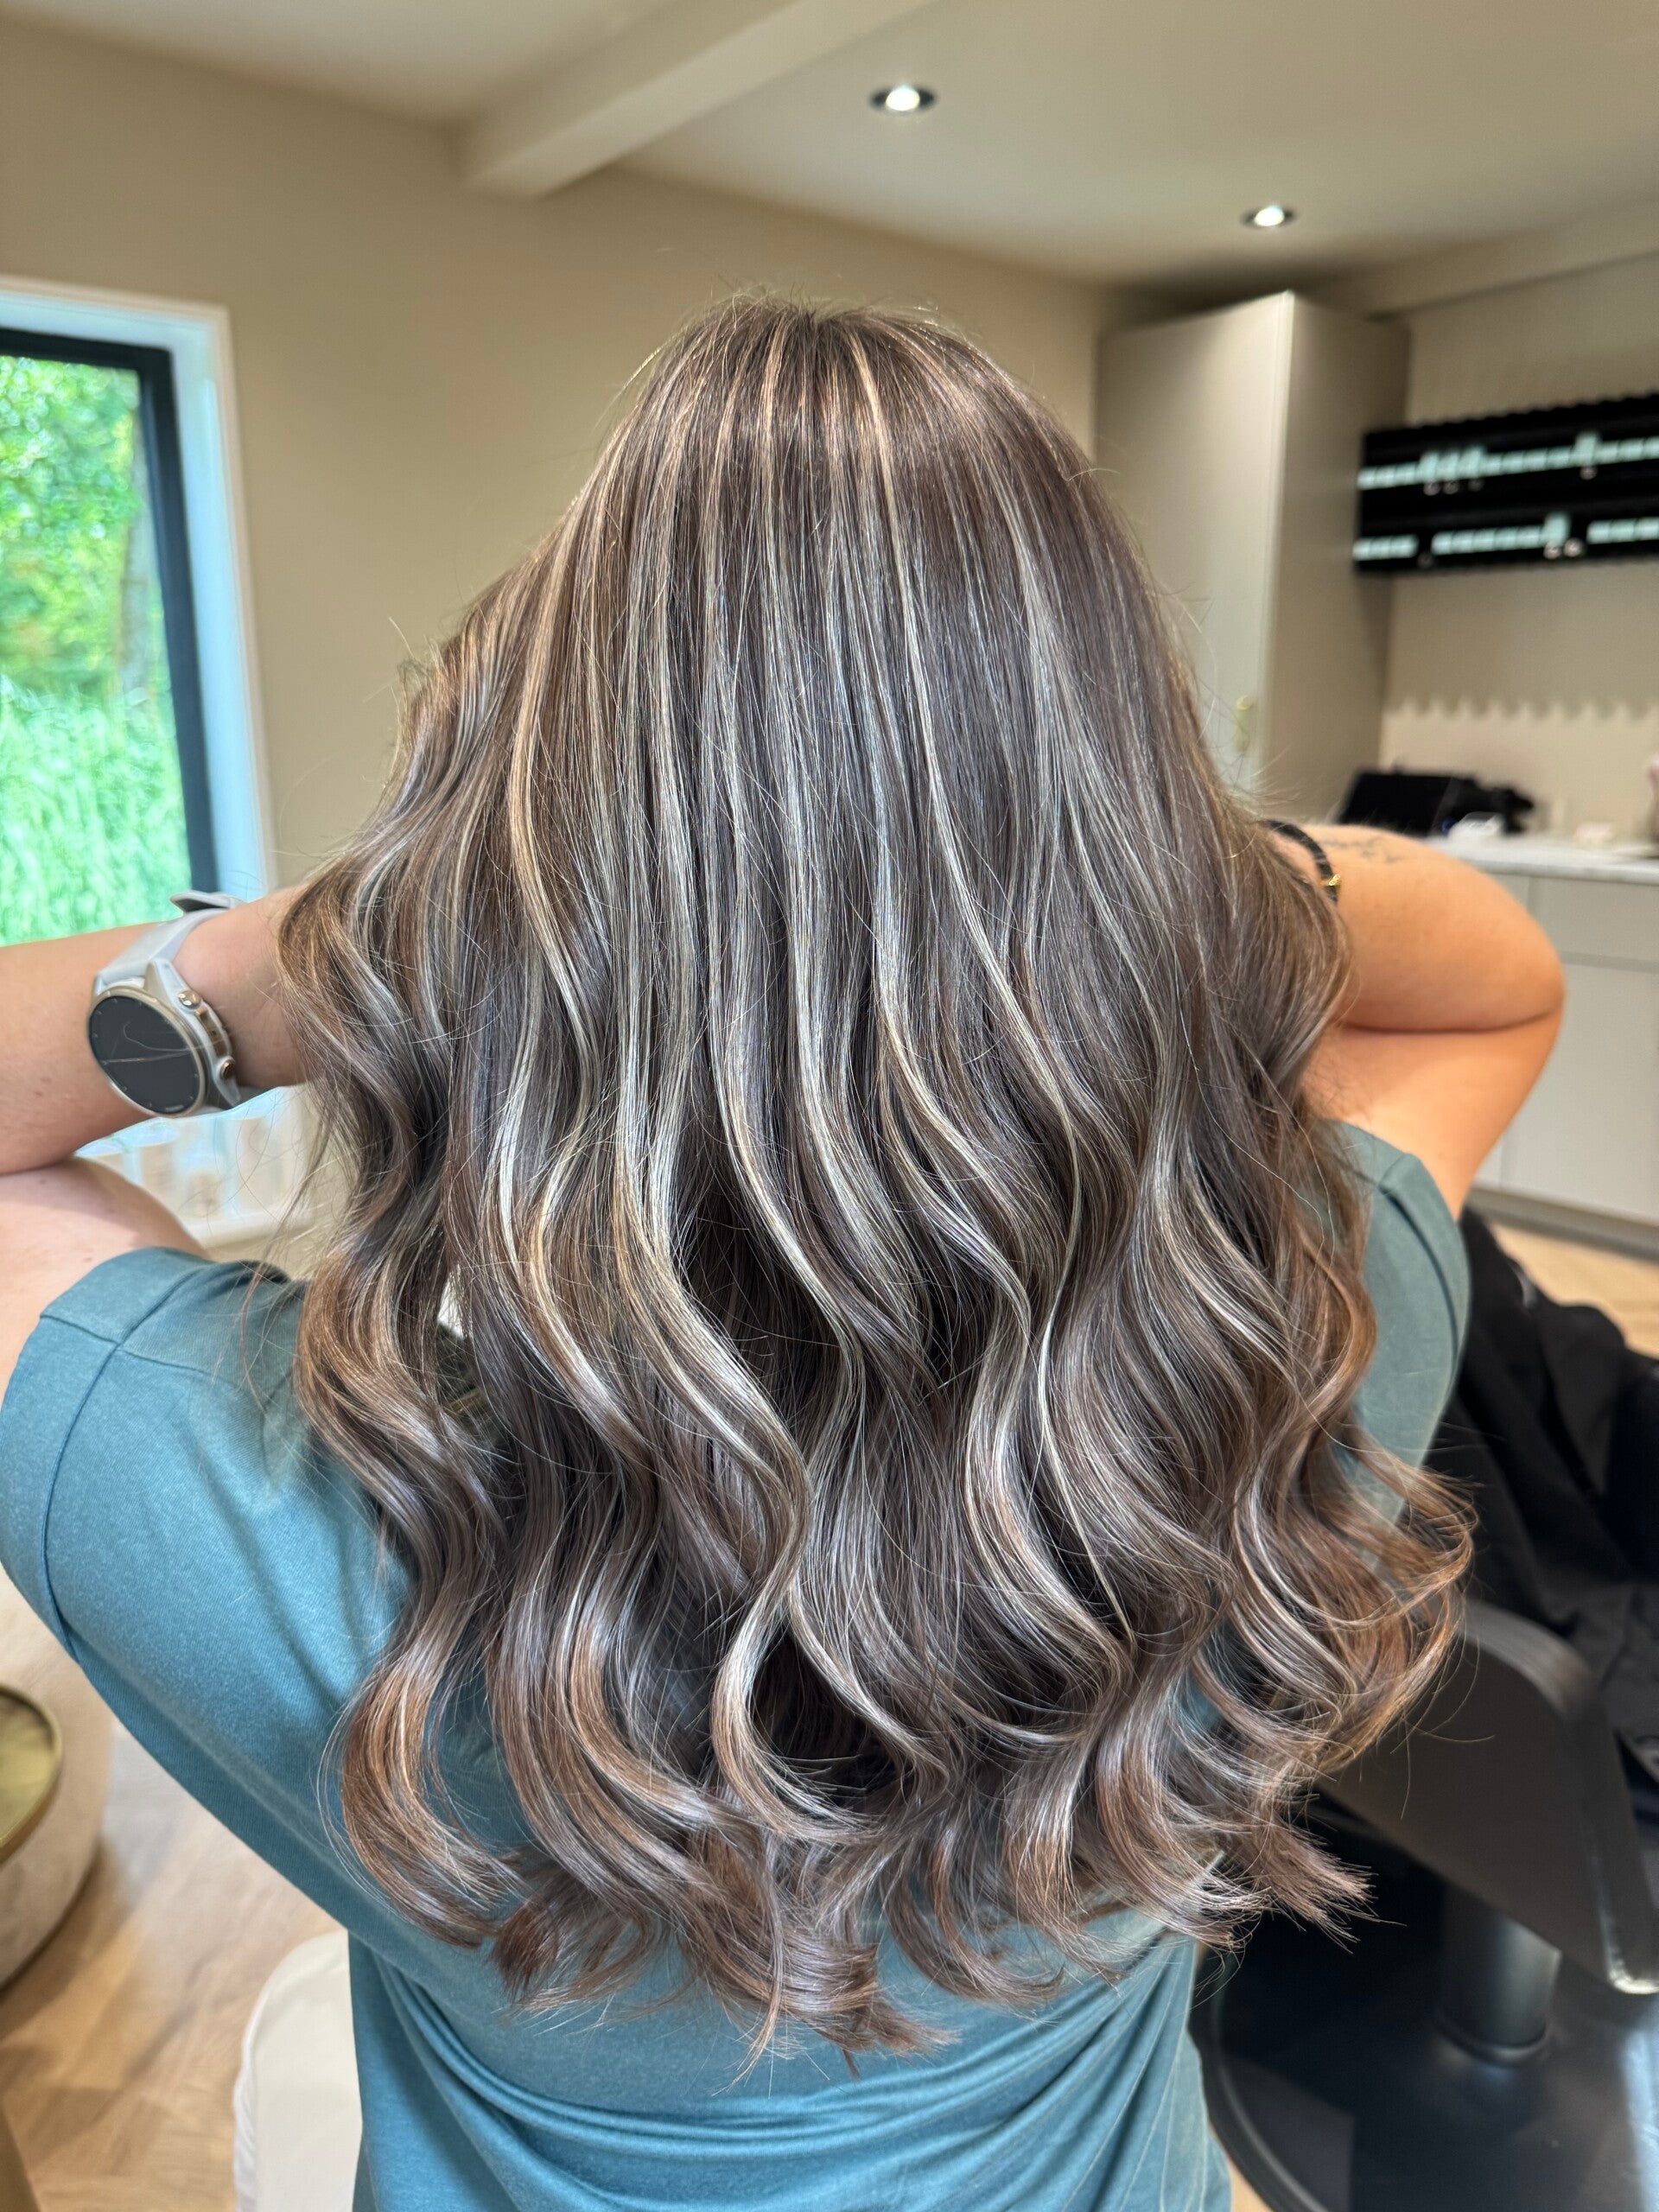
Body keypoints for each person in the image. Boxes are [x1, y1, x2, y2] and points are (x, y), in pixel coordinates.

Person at [0, 300, 1564, 2212]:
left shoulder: (306, 1545)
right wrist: (1120, 867)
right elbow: (1490, 982)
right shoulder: (1287, 1370)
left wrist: (337, 943)